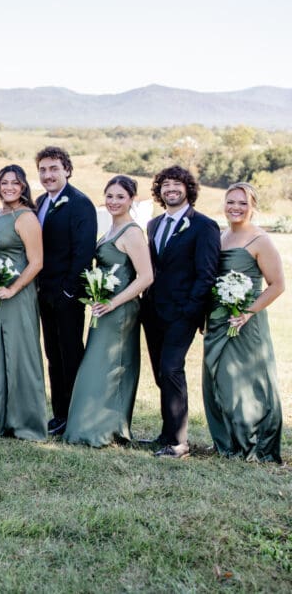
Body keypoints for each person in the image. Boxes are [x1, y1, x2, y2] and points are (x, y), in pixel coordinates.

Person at [64, 176, 153, 448]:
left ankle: (104, 429)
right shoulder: (111, 230)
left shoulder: (132, 232)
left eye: (121, 197)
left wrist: (114, 303)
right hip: (102, 307)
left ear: (131, 200)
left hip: (120, 311)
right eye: (110, 196)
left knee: (108, 367)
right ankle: (91, 426)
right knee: (97, 366)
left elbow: (146, 276)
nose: (114, 202)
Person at [141, 165, 220, 459]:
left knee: (172, 369)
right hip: (152, 311)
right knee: (161, 372)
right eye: (165, 185)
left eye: (176, 184)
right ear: (159, 191)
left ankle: (179, 442)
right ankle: (166, 431)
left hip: (182, 312)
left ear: (188, 189)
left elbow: (207, 273)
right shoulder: (153, 224)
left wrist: (191, 311)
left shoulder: (204, 225)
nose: (170, 189)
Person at [202, 182, 283, 463]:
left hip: (246, 321)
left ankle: (255, 444)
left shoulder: (260, 240)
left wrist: (247, 312)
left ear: (252, 207)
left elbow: (277, 285)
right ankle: (226, 440)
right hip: (218, 319)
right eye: (231, 202)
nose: (235, 207)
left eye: (242, 203)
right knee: (218, 380)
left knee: (247, 383)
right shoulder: (221, 236)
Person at [34, 146, 96, 436]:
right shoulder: (39, 202)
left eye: (54, 169)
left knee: (70, 355)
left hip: (67, 296)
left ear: (67, 170)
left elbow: (83, 253)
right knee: (52, 355)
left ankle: (76, 416)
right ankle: (59, 414)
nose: (48, 175)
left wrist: (69, 292)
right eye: (43, 170)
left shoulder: (80, 203)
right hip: (43, 293)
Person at [0, 165, 46, 441]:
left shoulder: (26, 217)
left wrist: (12, 289)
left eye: (15, 183)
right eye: (4, 182)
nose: (9, 187)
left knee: (20, 353)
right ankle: (2, 416)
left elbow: (36, 262)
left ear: (23, 187)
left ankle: (26, 421)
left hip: (18, 295)